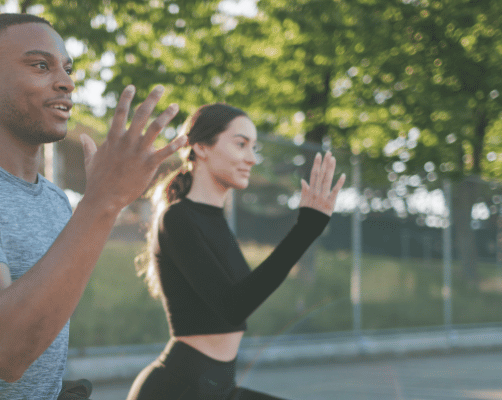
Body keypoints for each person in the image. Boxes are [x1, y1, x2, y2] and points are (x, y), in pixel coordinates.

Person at [0, 13, 186, 399]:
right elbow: (2, 354)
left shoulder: (55, 200)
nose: (66, 82)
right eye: (40, 66)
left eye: (67, 68)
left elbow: (43, 321)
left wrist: (101, 206)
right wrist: (102, 202)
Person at [126, 104, 346, 400]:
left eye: (254, 147)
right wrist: (306, 229)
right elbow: (233, 307)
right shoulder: (177, 219)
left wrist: (308, 226)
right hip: (178, 389)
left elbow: (245, 294)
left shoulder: (216, 221)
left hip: (218, 386)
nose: (252, 159)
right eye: (241, 144)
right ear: (202, 147)